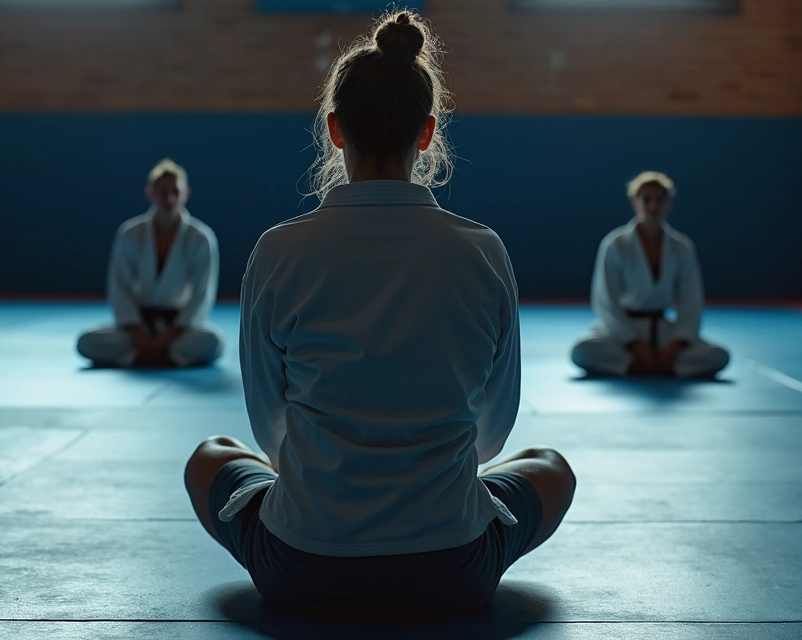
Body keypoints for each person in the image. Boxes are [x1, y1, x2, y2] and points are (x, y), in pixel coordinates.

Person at [184, 11, 574, 618]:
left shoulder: (279, 250)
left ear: (336, 129)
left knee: (211, 455)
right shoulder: (482, 250)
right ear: (427, 132)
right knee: (551, 468)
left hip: (302, 569)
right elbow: (493, 432)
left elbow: (269, 426)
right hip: (452, 571)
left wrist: (335, 476)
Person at [571, 171, 729, 378]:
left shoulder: (681, 247)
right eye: (646, 199)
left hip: (663, 330)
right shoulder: (615, 245)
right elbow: (606, 302)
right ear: (635, 203)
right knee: (581, 351)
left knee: (719, 355)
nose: (653, 206)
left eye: (659, 200)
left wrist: (674, 347)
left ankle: (654, 365)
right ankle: (642, 365)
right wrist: (635, 344)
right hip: (624, 329)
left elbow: (691, 302)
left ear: (668, 204)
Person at [77, 159, 223, 367]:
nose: (169, 198)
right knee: (86, 342)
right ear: (151, 194)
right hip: (139, 324)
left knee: (213, 343)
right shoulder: (130, 233)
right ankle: (163, 356)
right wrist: (138, 333)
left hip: (179, 326)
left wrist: (167, 336)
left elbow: (202, 294)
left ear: (186, 194)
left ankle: (144, 356)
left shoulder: (201, 237)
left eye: (175, 191)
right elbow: (120, 286)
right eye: (163, 192)